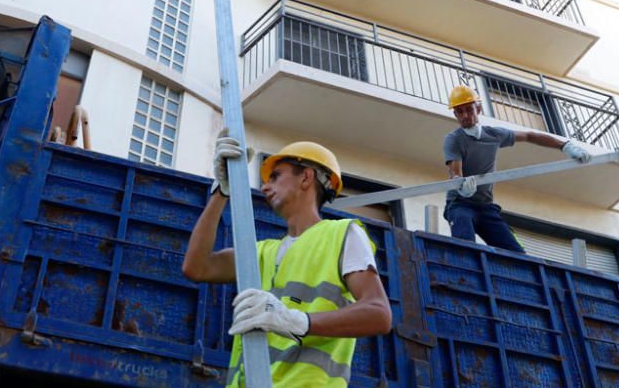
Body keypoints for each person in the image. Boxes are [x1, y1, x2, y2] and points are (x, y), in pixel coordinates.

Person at [182, 136, 392, 387]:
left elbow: (379, 313)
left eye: (276, 177)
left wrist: (296, 321)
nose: (264, 188)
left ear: (306, 177)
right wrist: (221, 192)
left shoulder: (341, 234)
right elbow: (197, 266)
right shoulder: (262, 253)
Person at [442, 84, 591, 251]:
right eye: (459, 111)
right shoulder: (454, 139)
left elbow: (529, 136)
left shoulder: (494, 135)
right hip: (460, 204)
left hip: (486, 207)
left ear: (479, 108)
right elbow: (455, 174)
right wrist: (461, 186)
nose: (465, 115)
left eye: (469, 109)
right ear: (455, 114)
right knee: (465, 247)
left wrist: (565, 146)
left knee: (517, 254)